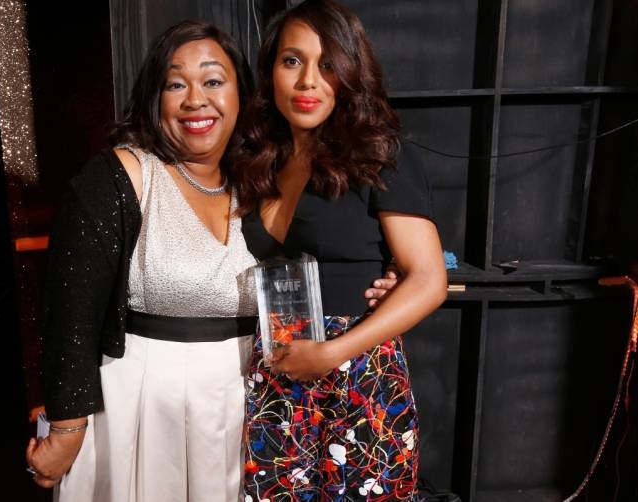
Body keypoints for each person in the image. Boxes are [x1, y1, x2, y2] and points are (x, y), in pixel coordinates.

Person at [25, 19, 398, 502]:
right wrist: (66, 430)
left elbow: (323, 259)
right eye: (175, 84)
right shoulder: (126, 176)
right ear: (155, 98)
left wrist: (383, 281)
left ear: (242, 94)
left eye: (213, 81)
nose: (195, 99)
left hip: (255, 404)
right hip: (142, 409)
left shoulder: (266, 180)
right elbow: (69, 316)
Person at [235, 1, 447, 500]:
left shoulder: (380, 153)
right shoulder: (256, 161)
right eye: (292, 61)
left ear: (351, 71)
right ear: (271, 72)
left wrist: (330, 354)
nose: (309, 80)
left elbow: (428, 279)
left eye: (328, 63)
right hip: (275, 376)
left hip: (357, 377)